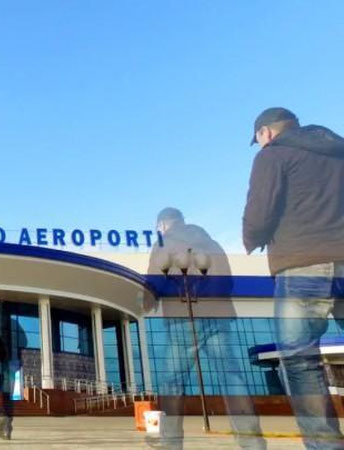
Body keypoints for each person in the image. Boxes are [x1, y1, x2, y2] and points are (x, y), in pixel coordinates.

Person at [243, 107, 344, 449]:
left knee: (301, 360)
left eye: (258, 139)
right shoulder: (338, 152)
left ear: (266, 133)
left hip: (303, 265)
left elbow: (260, 212)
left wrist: (252, 239)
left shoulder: (272, 155)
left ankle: (324, 445)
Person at [147, 208, 265, 450]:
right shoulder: (210, 242)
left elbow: (154, 282)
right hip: (217, 317)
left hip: (183, 318)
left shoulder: (164, 242)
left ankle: (170, 441)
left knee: (172, 381)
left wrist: (147, 299)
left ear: (163, 225)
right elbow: (228, 281)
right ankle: (252, 441)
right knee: (231, 377)